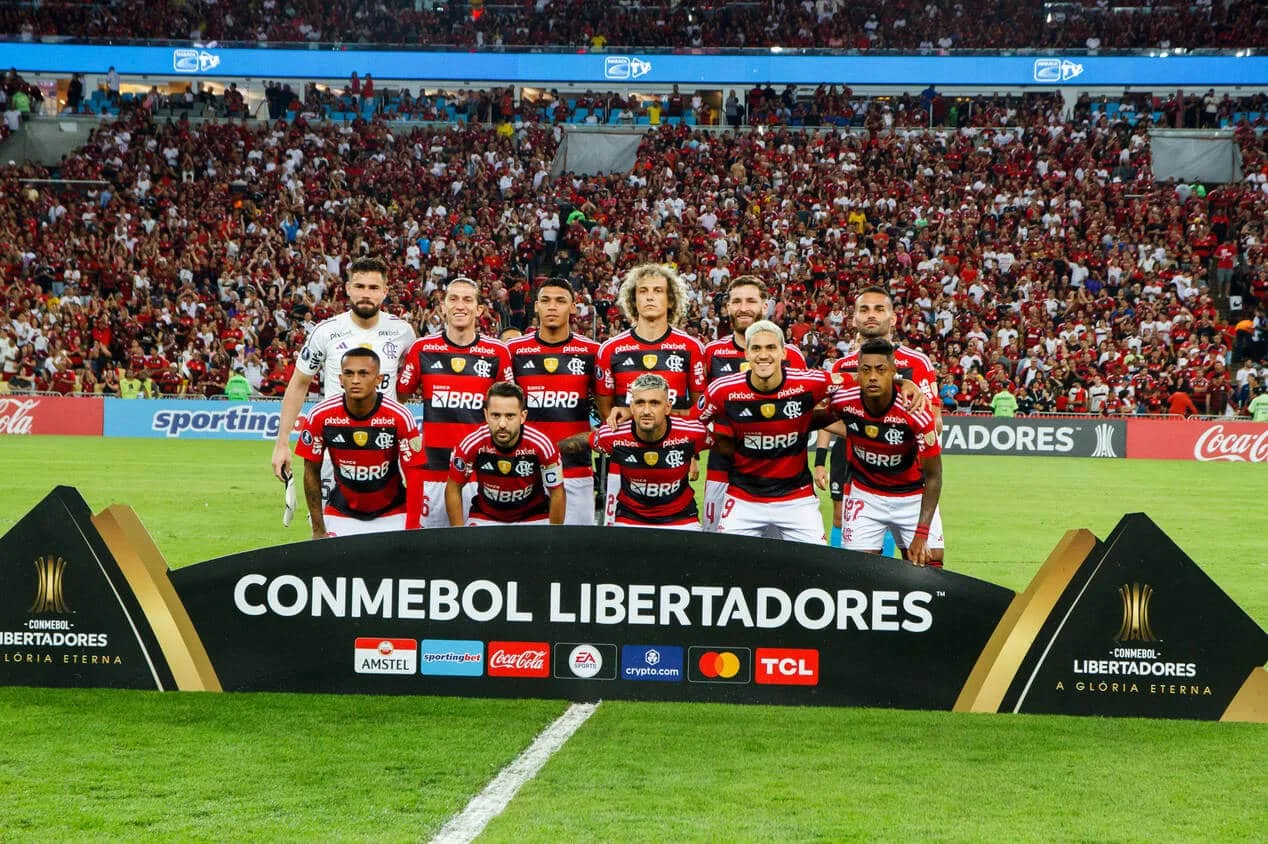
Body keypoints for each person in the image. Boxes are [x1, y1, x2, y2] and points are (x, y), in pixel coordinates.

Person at [271, 257, 416, 524]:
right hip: (333, 447)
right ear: (348, 288)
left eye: (373, 288)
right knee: (326, 529)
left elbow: (410, 382)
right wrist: (282, 444)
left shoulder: (403, 332)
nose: (365, 294)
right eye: (360, 286)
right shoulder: (326, 332)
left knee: (391, 529)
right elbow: (298, 384)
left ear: (385, 292)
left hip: (386, 449)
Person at [815, 286, 940, 549]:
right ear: (854, 319)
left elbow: (935, 422)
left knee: (926, 566)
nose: (871, 315)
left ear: (893, 318)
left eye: (879, 309)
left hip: (911, 483)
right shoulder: (842, 366)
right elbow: (830, 416)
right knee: (859, 567)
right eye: (864, 309)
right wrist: (866, 432)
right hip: (863, 481)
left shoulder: (917, 363)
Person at [698, 320, 832, 544]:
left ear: (783, 352)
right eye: (756, 348)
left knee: (815, 567)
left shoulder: (810, 383)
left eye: (770, 347)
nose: (763, 355)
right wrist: (714, 441)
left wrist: (902, 382)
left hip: (797, 499)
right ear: (747, 354)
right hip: (743, 498)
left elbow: (858, 382)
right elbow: (692, 423)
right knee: (729, 568)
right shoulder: (722, 389)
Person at [397, 277, 514, 528]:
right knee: (431, 554)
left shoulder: (497, 352)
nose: (460, 305)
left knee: (479, 555)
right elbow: (398, 398)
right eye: (453, 299)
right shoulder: (422, 349)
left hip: (480, 473)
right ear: (442, 307)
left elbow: (510, 408)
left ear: (479, 309)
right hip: (433, 472)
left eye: (467, 299)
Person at [701, 276, 806, 532]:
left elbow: (810, 407)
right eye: (736, 301)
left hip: (775, 476)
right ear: (727, 307)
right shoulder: (712, 352)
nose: (743, 307)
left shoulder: (790, 355)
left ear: (765, 305)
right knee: (718, 549)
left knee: (776, 558)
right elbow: (699, 410)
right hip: (722, 469)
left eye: (751, 300)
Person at [830, 339, 944, 567]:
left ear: (893, 371)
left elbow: (934, 477)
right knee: (858, 573)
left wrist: (921, 535)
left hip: (912, 497)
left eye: (881, 370)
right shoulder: (844, 400)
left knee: (930, 568)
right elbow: (809, 415)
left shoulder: (916, 411)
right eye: (865, 370)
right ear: (858, 373)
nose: (873, 376)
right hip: (865, 495)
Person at [293, 348, 424, 538]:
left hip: (393, 513)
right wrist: (318, 528)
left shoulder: (399, 416)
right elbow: (311, 471)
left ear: (378, 379)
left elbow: (414, 475)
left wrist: (412, 529)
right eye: (349, 373)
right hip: (341, 512)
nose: (355, 380)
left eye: (363, 373)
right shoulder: (320, 415)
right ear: (340, 378)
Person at [562, 374, 712, 530]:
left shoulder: (694, 432)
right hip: (630, 517)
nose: (646, 411)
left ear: (668, 407)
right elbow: (584, 441)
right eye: (640, 403)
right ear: (631, 407)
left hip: (681, 518)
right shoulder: (613, 434)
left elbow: (726, 444)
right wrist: (543, 451)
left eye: (654, 403)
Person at [507, 278, 600, 525]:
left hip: (575, 471)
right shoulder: (513, 351)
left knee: (575, 552)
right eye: (545, 301)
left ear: (573, 308)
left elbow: (607, 415)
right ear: (535, 306)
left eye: (560, 301)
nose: (552, 307)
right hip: (524, 471)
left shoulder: (592, 352)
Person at [447, 382, 564, 526]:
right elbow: (453, 488)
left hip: (533, 516)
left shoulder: (542, 445)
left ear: (523, 416)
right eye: (496, 415)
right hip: (485, 516)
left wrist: (553, 540)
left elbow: (557, 492)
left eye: (510, 416)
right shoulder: (471, 444)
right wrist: (459, 535)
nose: (502, 424)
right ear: (486, 414)